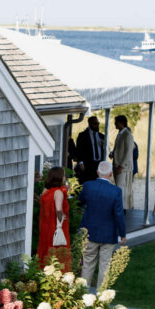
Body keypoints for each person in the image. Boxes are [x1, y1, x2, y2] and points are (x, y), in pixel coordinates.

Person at [79, 160, 127, 289]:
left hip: (90, 231)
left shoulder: (88, 186)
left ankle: (83, 294)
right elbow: (119, 214)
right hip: (108, 233)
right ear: (111, 174)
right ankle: (101, 297)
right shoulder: (116, 191)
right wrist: (122, 233)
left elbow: (80, 201)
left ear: (97, 172)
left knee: (88, 263)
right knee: (105, 265)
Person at [37, 166, 71, 270]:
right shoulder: (58, 192)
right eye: (64, 175)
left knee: (46, 249)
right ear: (59, 177)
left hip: (46, 225)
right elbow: (58, 209)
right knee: (58, 251)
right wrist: (62, 218)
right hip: (56, 226)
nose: (65, 178)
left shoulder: (46, 191)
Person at [111, 114, 134, 211]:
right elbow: (119, 149)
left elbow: (128, 151)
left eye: (116, 122)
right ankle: (120, 206)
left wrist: (121, 166)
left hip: (122, 165)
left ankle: (122, 207)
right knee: (119, 185)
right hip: (116, 163)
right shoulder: (120, 133)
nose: (115, 124)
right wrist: (113, 153)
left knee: (121, 186)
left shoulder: (127, 134)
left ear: (121, 123)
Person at [75, 116, 106, 183]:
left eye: (98, 123)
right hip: (88, 163)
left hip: (99, 163)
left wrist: (104, 146)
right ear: (89, 124)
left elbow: (105, 150)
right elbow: (79, 150)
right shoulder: (83, 135)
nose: (97, 125)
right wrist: (80, 162)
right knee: (87, 181)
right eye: (95, 124)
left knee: (98, 182)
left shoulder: (102, 136)